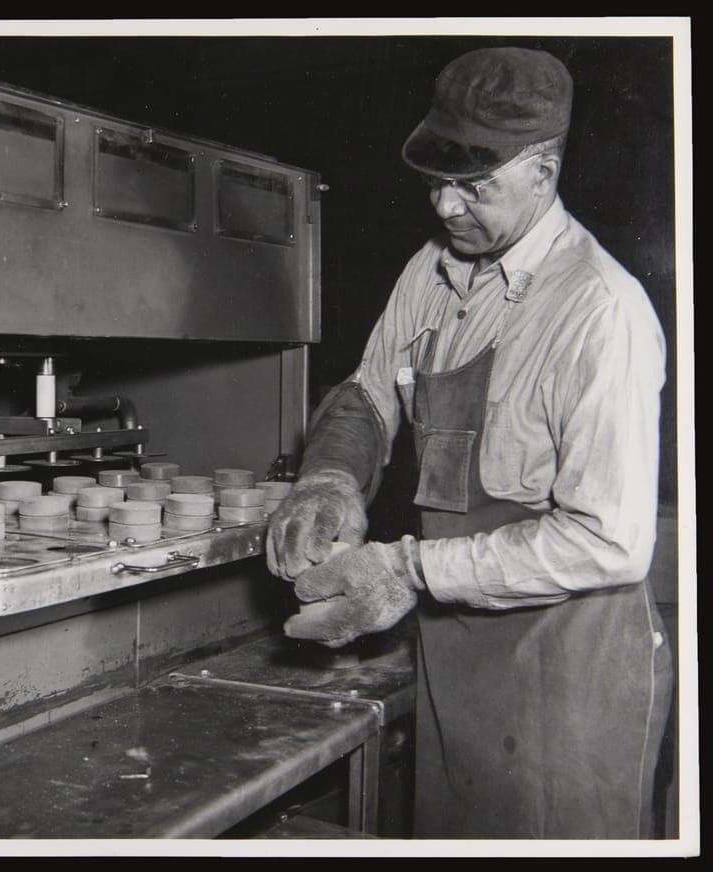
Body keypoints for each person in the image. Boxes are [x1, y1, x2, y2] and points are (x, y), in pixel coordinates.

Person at [265, 47, 672, 839]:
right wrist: (330, 480)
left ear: (543, 173)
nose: (448, 209)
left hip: (568, 682)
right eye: (436, 183)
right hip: (458, 664)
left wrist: (408, 567)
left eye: (476, 186)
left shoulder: (598, 313)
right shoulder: (431, 272)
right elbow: (369, 391)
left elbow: (609, 542)